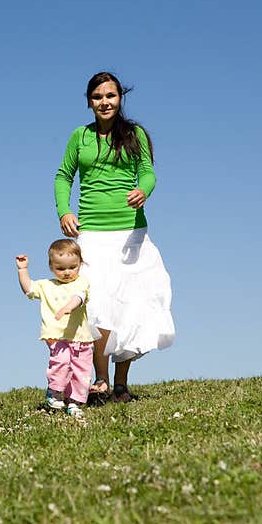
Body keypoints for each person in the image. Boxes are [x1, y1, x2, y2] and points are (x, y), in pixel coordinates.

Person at [54, 71, 175, 403]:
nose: (104, 102)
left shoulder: (134, 134)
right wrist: (64, 210)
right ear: (89, 102)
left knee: (130, 307)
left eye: (110, 95)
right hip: (91, 233)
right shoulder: (80, 136)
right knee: (96, 306)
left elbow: (147, 172)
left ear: (120, 98)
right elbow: (64, 176)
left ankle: (121, 385)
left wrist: (142, 190)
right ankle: (101, 379)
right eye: (97, 97)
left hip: (130, 233)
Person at [15, 239, 94, 418]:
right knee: (62, 362)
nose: (67, 272)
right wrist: (22, 270)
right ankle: (55, 391)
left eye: (72, 267)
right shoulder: (46, 285)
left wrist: (68, 307)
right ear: (51, 267)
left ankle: (75, 402)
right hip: (57, 336)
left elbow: (79, 297)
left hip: (82, 337)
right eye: (60, 268)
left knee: (81, 371)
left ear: (80, 265)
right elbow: (28, 289)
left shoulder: (82, 282)